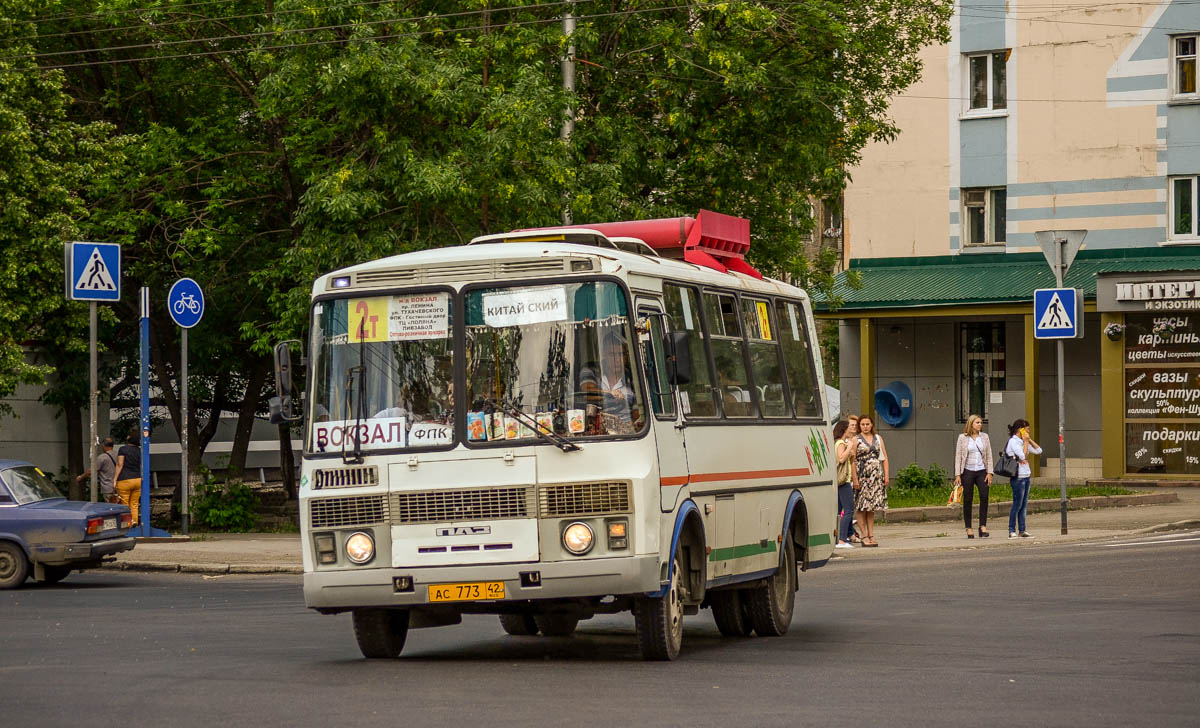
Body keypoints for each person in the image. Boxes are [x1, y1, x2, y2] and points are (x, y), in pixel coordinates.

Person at [580, 333, 639, 424]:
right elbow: (587, 392)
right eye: (612, 354)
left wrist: (631, 426)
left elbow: (637, 413)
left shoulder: (633, 378)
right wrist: (610, 393)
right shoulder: (590, 369)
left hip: (626, 433)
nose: (617, 359)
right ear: (604, 355)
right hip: (596, 430)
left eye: (621, 354)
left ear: (626, 356)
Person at [954, 414, 994, 539]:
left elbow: (989, 455)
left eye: (981, 422)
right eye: (977, 422)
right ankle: (968, 527)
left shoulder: (985, 437)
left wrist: (990, 472)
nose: (980, 425)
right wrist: (958, 475)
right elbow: (958, 457)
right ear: (971, 424)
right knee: (968, 499)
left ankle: (983, 526)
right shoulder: (962, 438)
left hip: (982, 470)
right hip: (968, 471)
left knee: (984, 496)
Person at [851, 414, 889, 547]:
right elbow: (852, 461)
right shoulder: (856, 440)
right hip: (862, 476)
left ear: (871, 425)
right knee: (862, 507)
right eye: (862, 424)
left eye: (867, 424)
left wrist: (886, 475)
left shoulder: (878, 438)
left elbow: (884, 457)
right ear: (859, 426)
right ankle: (864, 535)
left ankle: (871, 534)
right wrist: (855, 479)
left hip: (876, 477)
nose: (865, 427)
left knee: (871, 508)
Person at [1005, 419, 1042, 539]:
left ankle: (1022, 529)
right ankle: (1011, 530)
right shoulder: (1013, 442)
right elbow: (1023, 455)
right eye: (1027, 429)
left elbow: (1038, 450)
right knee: (1017, 504)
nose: (1029, 431)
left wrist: (1029, 440)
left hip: (1026, 475)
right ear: (1020, 429)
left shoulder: (1022, 441)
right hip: (1018, 477)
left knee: (1024, 505)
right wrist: (1025, 442)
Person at [833, 416, 859, 549]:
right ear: (844, 430)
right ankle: (842, 539)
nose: (851, 430)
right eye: (849, 428)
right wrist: (849, 447)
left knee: (838, 511)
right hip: (843, 481)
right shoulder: (841, 443)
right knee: (849, 509)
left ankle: (837, 538)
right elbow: (842, 458)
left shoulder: (838, 443)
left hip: (840, 481)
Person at [112, 430, 143, 525]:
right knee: (134, 504)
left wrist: (115, 479)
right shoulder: (139, 451)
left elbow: (120, 464)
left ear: (129, 437)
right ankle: (134, 522)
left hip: (124, 479)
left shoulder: (123, 449)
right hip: (137, 479)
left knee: (124, 504)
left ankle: (127, 524)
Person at [76, 437, 118, 503]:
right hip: (118, 486)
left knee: (110, 508)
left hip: (107, 487)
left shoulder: (102, 457)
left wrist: (81, 477)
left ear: (103, 446)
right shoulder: (118, 455)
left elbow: (91, 471)